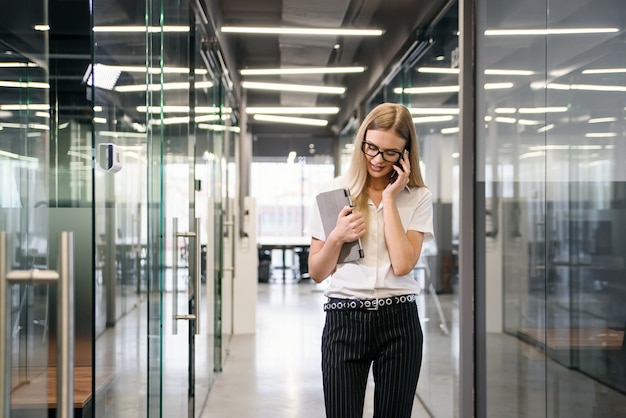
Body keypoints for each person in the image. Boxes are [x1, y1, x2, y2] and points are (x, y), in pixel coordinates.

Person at [307, 103, 434, 418]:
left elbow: (403, 265)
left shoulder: (418, 197)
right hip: (344, 318)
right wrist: (337, 236)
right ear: (362, 141)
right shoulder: (333, 192)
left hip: (399, 321)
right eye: (372, 148)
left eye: (390, 153)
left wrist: (390, 198)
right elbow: (317, 272)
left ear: (406, 154)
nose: (377, 159)